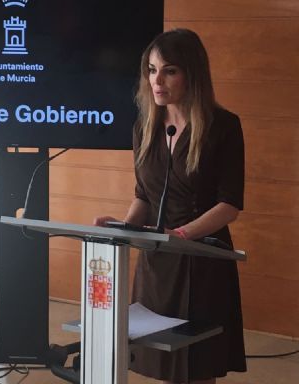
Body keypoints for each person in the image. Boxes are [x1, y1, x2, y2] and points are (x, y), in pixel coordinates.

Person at [93, 28, 246, 383]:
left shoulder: (224, 127)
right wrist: (124, 228)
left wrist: (181, 235)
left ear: (192, 73)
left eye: (169, 71)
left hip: (202, 258)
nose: (157, 81)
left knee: (196, 364)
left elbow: (229, 205)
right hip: (158, 260)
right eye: (151, 70)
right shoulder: (143, 127)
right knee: (162, 360)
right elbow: (144, 196)